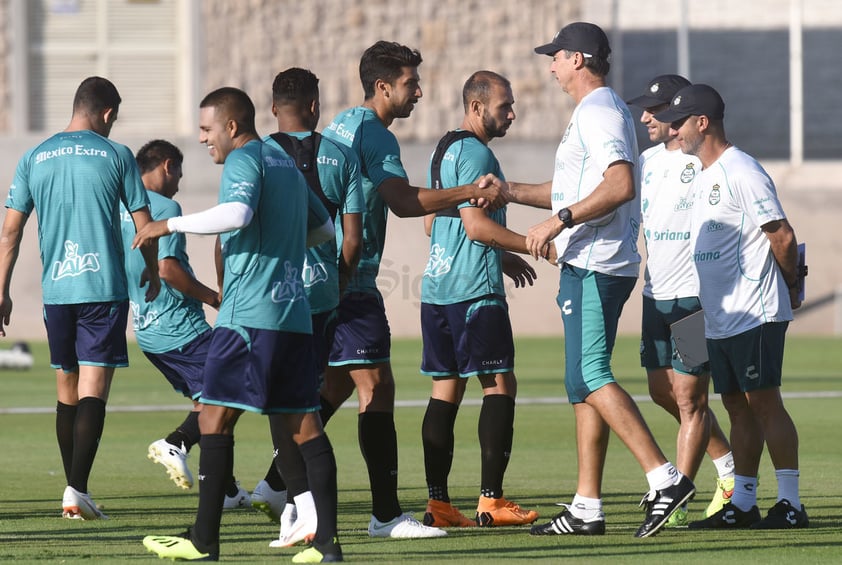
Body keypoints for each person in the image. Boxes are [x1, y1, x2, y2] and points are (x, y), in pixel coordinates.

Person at [486, 22, 695, 538]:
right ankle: (586, 506)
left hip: (597, 263)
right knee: (582, 385)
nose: (550, 64)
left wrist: (559, 221)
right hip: (593, 262)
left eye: (555, 56)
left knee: (590, 376)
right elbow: (574, 187)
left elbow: (619, 184)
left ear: (577, 58)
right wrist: (509, 191)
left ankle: (665, 478)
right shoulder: (597, 112)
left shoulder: (599, 110)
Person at [139, 87, 343, 562]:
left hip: (248, 318)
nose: (203, 138)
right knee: (306, 428)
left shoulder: (245, 159)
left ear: (232, 126)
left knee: (212, 417)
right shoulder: (285, 164)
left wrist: (167, 226)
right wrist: (278, 247)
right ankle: (328, 546)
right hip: (292, 317)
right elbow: (324, 229)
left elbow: (237, 214)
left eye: (208, 129)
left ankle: (203, 542)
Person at [318, 40, 506, 539]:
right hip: (348, 276)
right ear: (383, 87)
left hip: (326, 271)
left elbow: (411, 212)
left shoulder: (343, 123)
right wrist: (470, 192)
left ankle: (277, 484)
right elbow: (404, 204)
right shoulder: (377, 135)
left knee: (339, 383)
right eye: (409, 84)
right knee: (377, 386)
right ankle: (384, 516)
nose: (418, 92)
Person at [0, 76, 161, 520]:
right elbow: (144, 225)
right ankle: (77, 488)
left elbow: (10, 232)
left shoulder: (34, 156)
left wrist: (2, 291)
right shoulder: (116, 155)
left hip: (58, 291)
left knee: (66, 388)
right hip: (102, 288)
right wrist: (152, 268)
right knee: (94, 388)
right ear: (108, 114)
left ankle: (73, 491)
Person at [653, 83, 808, 530]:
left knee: (764, 403)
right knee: (737, 407)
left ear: (703, 123)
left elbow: (780, 234)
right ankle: (742, 503)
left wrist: (791, 286)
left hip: (753, 311)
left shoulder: (742, 169)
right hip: (720, 318)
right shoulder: (703, 175)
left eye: (680, 123)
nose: (673, 130)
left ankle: (791, 504)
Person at [419, 70, 542, 529]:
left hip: (438, 289)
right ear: (476, 107)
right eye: (504, 105)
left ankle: (438, 505)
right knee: (500, 385)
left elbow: (433, 222)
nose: (511, 113)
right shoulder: (476, 153)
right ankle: (491, 501)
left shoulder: (444, 148)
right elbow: (475, 226)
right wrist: (525, 243)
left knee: (444, 390)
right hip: (473, 292)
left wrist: (497, 252)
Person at [249, 67, 364, 548]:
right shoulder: (342, 156)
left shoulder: (255, 156)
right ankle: (299, 506)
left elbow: (237, 230)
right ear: (316, 107)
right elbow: (352, 238)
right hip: (319, 300)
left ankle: (298, 506)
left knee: (284, 408)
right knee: (302, 402)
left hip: (268, 299)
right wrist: (336, 283)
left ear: (273, 108)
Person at [626, 75, 736, 526]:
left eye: (654, 111)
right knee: (660, 391)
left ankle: (676, 495)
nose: (645, 118)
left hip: (693, 298)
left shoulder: (704, 162)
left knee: (691, 398)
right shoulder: (645, 161)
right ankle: (726, 464)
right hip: (656, 295)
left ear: (677, 115)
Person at [121, 139, 251, 509]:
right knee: (237, 385)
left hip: (147, 330)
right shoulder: (163, 208)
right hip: (180, 328)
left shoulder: (119, 209)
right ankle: (176, 442)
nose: (179, 181)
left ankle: (225, 490)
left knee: (210, 403)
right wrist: (214, 298)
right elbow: (168, 269)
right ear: (166, 166)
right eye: (178, 171)